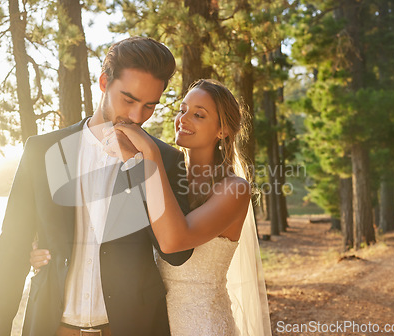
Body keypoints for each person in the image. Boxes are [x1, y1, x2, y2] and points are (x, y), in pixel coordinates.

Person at [0, 36, 193, 336]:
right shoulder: (42, 151)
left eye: (149, 106)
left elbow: (176, 254)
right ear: (104, 82)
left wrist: (147, 162)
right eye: (129, 100)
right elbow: (11, 250)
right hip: (51, 327)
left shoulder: (165, 160)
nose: (137, 117)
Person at [32, 79, 272, 335]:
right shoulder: (164, 177)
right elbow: (107, 231)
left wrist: (149, 154)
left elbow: (173, 242)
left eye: (198, 115)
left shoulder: (234, 190)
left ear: (222, 130)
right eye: (182, 110)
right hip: (150, 320)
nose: (183, 119)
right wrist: (45, 248)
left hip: (202, 324)